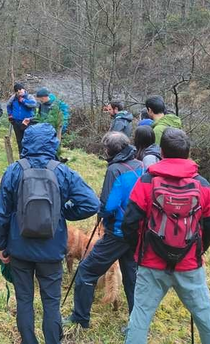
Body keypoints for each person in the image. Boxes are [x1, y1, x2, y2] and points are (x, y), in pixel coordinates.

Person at [0, 123, 100, 344]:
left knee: (24, 300)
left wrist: (1, 245)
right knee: (51, 302)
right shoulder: (62, 171)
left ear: (26, 142)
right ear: (53, 143)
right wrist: (63, 212)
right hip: (51, 250)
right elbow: (91, 203)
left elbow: (1, 214)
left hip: (19, 249)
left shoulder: (14, 170)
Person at [122, 128, 210, 344]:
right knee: (205, 316)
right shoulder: (204, 186)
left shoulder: (146, 182)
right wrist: (196, 251)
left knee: (140, 317)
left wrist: (140, 251)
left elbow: (129, 224)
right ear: (188, 153)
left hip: (151, 262)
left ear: (162, 152)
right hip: (189, 264)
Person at [64, 132, 143, 329]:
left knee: (86, 271)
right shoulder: (141, 165)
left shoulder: (115, 170)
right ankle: (137, 323)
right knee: (132, 277)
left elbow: (108, 205)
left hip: (117, 232)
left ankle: (80, 317)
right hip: (137, 231)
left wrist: (102, 215)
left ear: (110, 151)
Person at [6, 83, 37, 154]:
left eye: (21, 90)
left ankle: (29, 156)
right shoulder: (13, 98)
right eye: (18, 91)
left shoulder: (29, 97)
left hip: (28, 122)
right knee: (19, 141)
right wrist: (10, 115)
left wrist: (23, 101)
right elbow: (8, 105)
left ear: (24, 89)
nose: (20, 93)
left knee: (28, 140)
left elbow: (33, 104)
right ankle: (21, 156)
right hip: (16, 122)